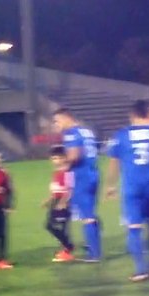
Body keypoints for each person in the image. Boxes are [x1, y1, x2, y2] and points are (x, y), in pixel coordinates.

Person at [105, 101, 149, 282]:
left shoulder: (120, 135)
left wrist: (110, 185)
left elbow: (114, 162)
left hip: (132, 187)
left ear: (132, 115)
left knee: (134, 227)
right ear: (147, 114)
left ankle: (141, 270)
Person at [53, 109, 101, 262]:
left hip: (81, 177)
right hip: (93, 173)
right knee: (90, 214)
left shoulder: (71, 133)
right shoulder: (86, 131)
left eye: (57, 121)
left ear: (66, 118)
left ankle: (94, 254)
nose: (56, 125)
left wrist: (64, 165)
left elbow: (74, 155)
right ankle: (94, 247)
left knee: (87, 216)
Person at [44, 146, 75, 263]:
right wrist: (48, 200)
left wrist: (63, 202)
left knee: (55, 226)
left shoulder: (68, 172)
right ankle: (66, 249)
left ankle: (68, 248)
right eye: (53, 158)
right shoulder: (56, 172)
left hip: (63, 203)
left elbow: (70, 189)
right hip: (55, 202)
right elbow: (56, 189)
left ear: (64, 158)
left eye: (58, 158)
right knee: (53, 226)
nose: (55, 160)